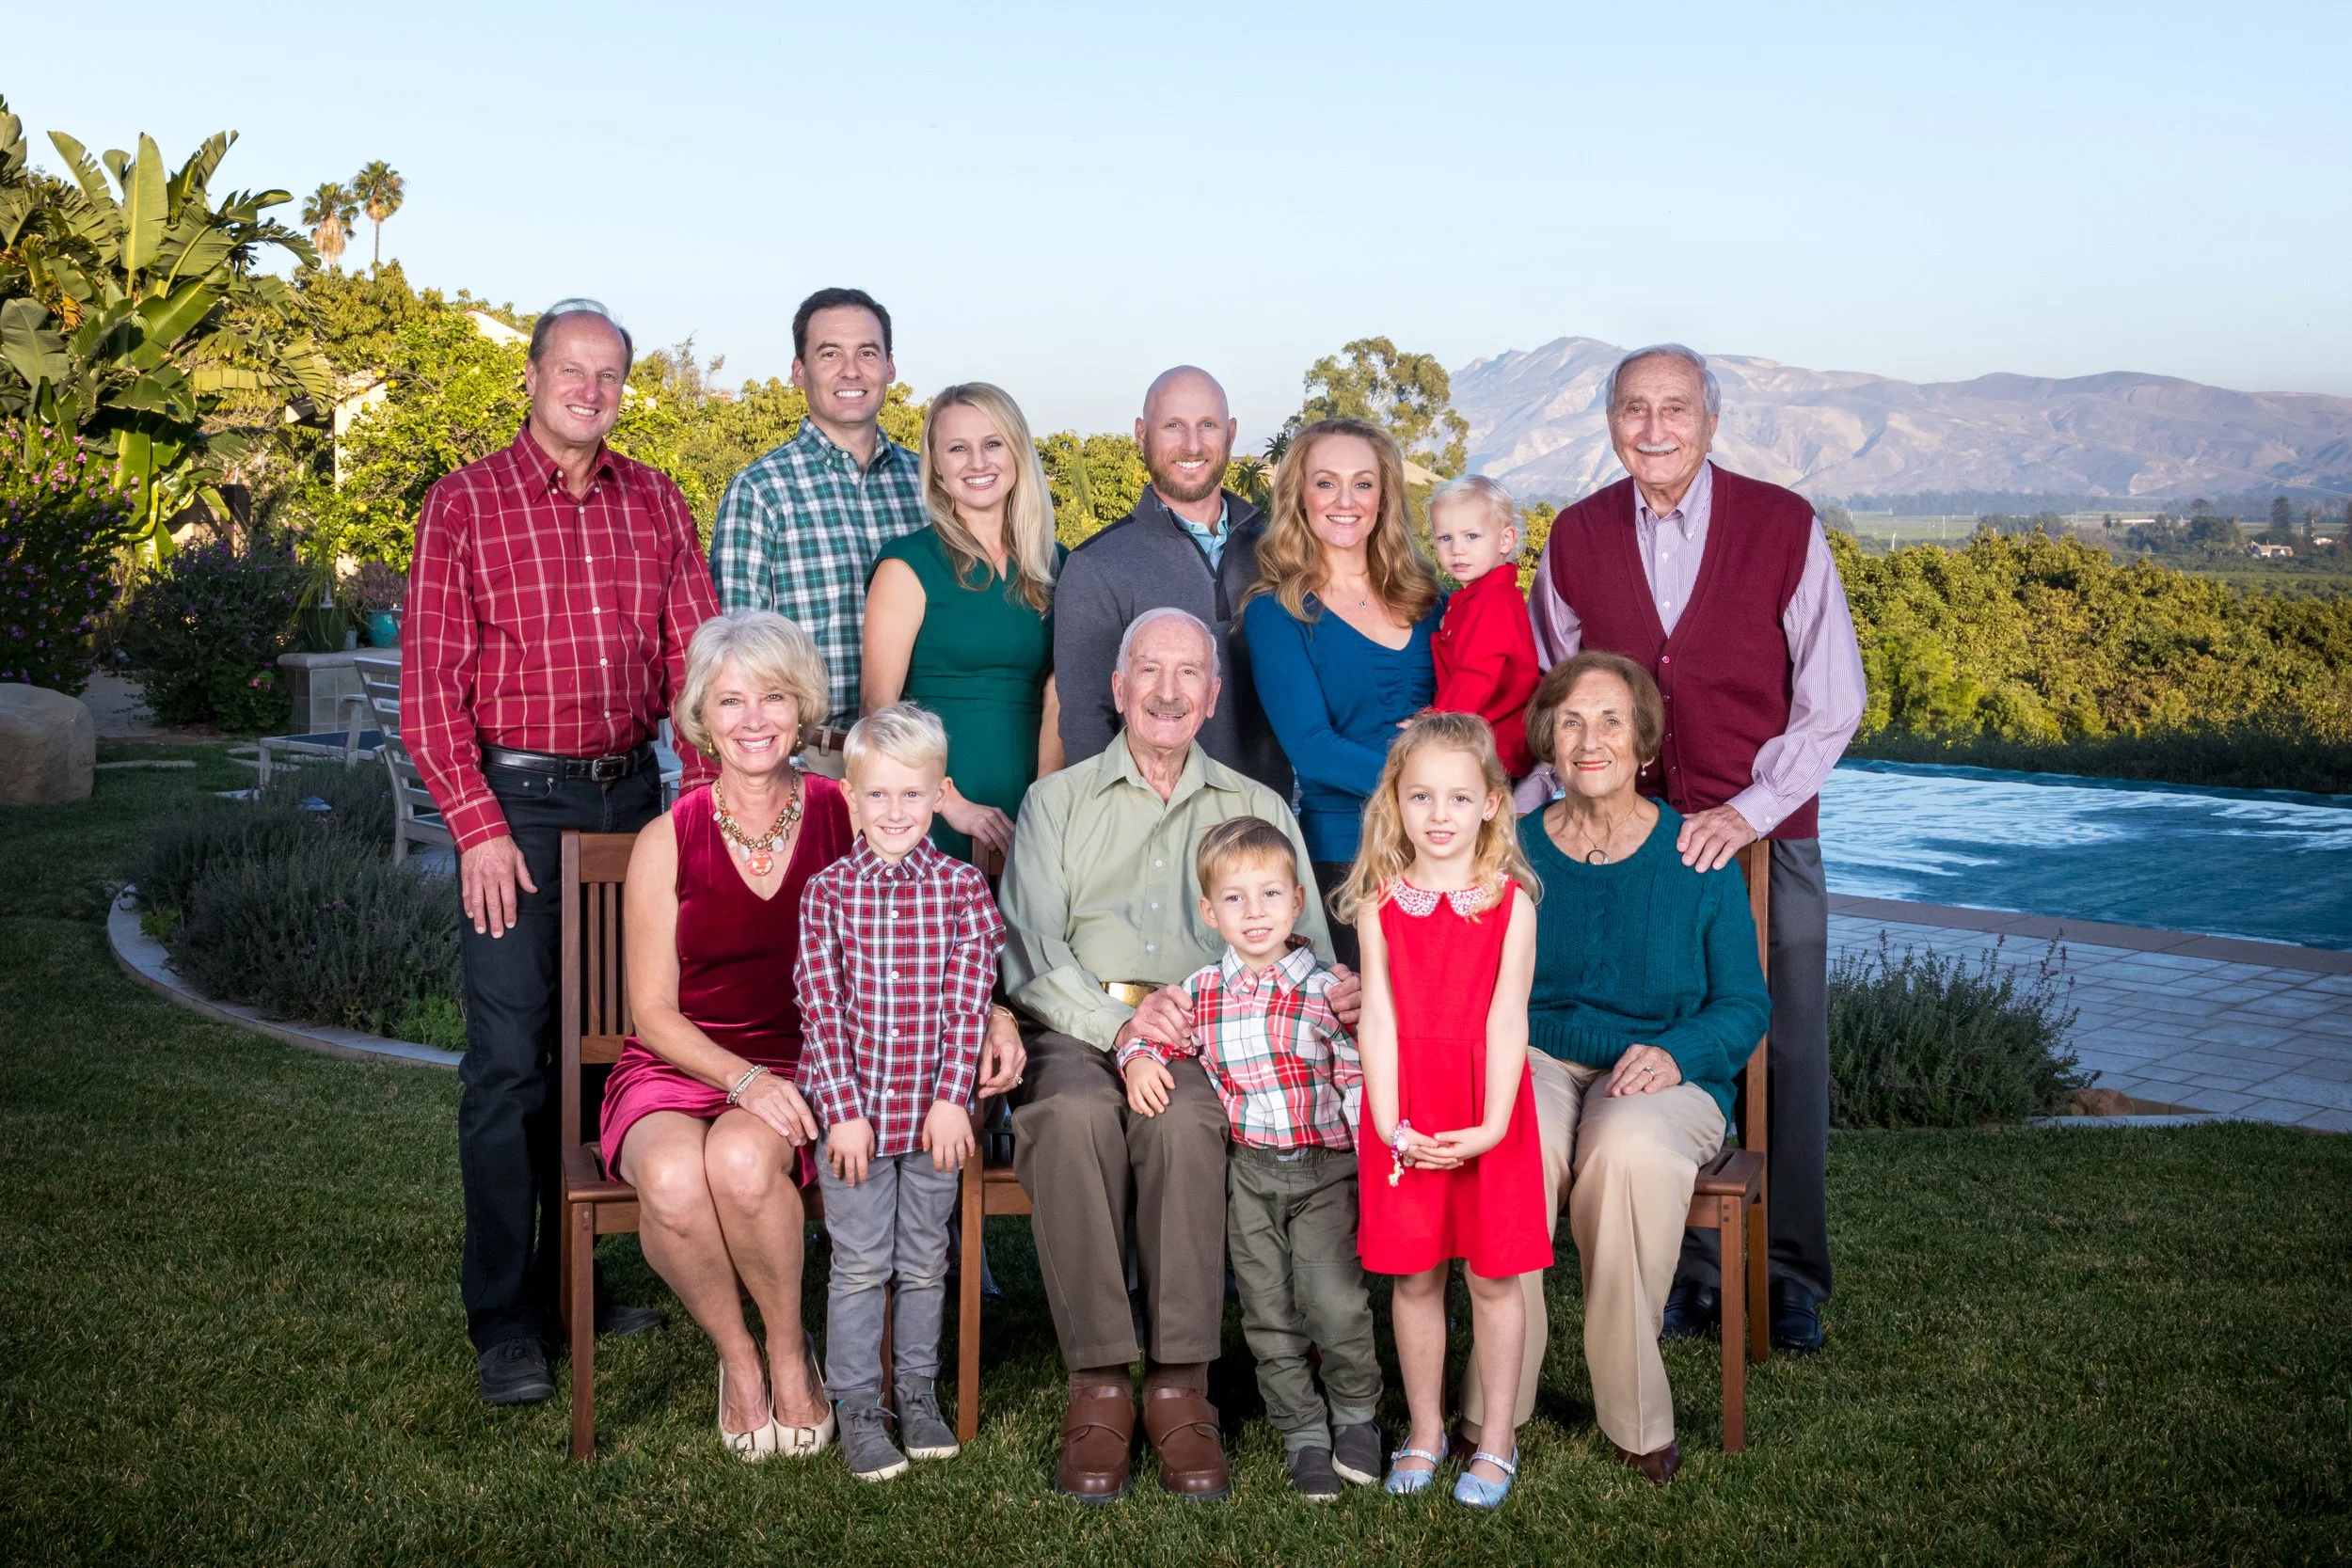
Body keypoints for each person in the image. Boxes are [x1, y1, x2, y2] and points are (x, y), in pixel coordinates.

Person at [405, 298, 719, 1406]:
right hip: (518, 806)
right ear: (533, 379)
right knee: (509, 1063)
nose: (590, 390)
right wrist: (478, 825)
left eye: (609, 374)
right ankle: (503, 1314)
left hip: (632, 801)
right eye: (571, 370)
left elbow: (697, 663)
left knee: (611, 1052)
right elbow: (430, 689)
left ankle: (571, 1284)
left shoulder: (657, 499)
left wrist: (706, 804)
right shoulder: (464, 502)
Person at [1523, 342, 1864, 1357]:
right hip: (1625, 843)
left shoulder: (1782, 524)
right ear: (1610, 423)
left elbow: (1832, 697)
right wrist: (1528, 822)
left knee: (1782, 1044)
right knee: (1661, 1042)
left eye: (1675, 407)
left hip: (1765, 833)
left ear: (1711, 421)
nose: (1655, 428)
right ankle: (1689, 1270)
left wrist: (1750, 810)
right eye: (1635, 408)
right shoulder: (1576, 536)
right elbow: (1554, 696)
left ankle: (1787, 1272)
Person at [997, 607, 1351, 1505]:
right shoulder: (1056, 801)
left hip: (1210, 1034)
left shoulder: (1256, 806)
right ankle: (1099, 1381)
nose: (1167, 690)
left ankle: (1179, 1383)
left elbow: (1307, 948)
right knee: (1071, 1114)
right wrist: (1120, 1030)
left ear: (1213, 694)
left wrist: (1340, 998)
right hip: (1079, 1025)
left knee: (1186, 1120)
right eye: (1148, 671)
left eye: (1188, 672)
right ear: (1118, 689)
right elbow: (1031, 950)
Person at [1459, 652, 1770, 1486]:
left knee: (1627, 1151)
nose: (1589, 739)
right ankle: (1495, 1408)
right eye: (1570, 721)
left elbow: (1746, 1004)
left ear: (1644, 744)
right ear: (1548, 745)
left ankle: (1635, 1414)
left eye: (1610, 721)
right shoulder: (1510, 850)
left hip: (1666, 1070)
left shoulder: (1697, 854)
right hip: (1534, 1050)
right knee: (1513, 1136)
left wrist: (1677, 1052)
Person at [600, 610, 851, 1459]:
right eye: (731, 699)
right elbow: (652, 1012)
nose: (753, 719)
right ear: (701, 717)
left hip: (801, 1059)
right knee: (673, 1178)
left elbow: (926, 914)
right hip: (679, 1059)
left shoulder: (847, 814)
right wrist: (742, 1080)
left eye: (773, 696)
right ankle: (737, 1356)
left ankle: (788, 1349)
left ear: (801, 706)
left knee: (742, 1161)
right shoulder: (665, 838)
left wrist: (990, 1009)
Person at [1118, 816, 1380, 1501]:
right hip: (1251, 1177)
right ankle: (1303, 1433)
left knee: (1333, 1300)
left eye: (1270, 894)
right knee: (1268, 1312)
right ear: (1210, 912)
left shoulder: (1329, 990)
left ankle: (1356, 1414)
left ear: (1298, 901)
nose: (1254, 912)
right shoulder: (1203, 991)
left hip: (1324, 1172)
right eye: (1234, 898)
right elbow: (1151, 1034)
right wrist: (1139, 1058)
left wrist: (1377, 1163)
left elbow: (1357, 1078)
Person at [1342, 711, 1549, 1510]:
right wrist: (1389, 1121)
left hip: (1487, 1107)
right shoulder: (1379, 902)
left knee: (1495, 1279)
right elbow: (1379, 1018)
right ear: (1395, 800)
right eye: (1421, 795)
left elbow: (1508, 1019)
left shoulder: (1512, 904)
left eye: (1459, 797)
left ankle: (1496, 1438)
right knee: (1415, 1276)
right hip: (1406, 1111)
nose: (1439, 814)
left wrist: (1492, 1125)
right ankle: (1427, 1427)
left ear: (1492, 803)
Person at [796, 704, 1009, 1481]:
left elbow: (968, 1003)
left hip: (933, 1122)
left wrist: (954, 1099)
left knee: (924, 1259)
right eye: (878, 795)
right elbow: (820, 1010)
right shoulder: (826, 894)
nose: (895, 811)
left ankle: (915, 1392)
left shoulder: (962, 892)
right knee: (859, 1264)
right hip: (854, 1119)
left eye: (912, 794)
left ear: (939, 794)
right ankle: (858, 1403)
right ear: (850, 798)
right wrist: (842, 1113)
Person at [1243, 418, 1446, 965]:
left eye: (1363, 483)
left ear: (1384, 497)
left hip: (1447, 852)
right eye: (1326, 482)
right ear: (1299, 496)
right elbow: (1312, 748)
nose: (1345, 501)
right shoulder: (1276, 612)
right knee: (1371, 1011)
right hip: (1349, 858)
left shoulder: (1430, 600)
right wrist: (1433, 789)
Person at [709, 287, 924, 778]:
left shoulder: (928, 485)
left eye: (867, 353)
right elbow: (735, 656)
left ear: (889, 366)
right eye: (830, 354)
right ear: (799, 371)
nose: (851, 371)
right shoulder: (759, 491)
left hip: (917, 757)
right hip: (813, 759)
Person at [1054, 367, 1289, 792]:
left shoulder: (1279, 553)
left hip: (1264, 816)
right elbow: (1085, 721)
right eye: (1173, 426)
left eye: (1208, 425)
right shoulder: (1096, 565)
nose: (1192, 445)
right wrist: (1116, 816)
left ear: (1231, 433)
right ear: (1142, 434)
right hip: (1152, 816)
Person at [861, 383, 1065, 866]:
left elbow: (1060, 696)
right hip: (934, 813)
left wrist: (1046, 807)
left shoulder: (1057, 566)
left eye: (993, 443)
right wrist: (947, 803)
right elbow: (877, 711)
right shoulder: (907, 564)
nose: (978, 462)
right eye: (958, 448)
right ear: (936, 464)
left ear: (1017, 451)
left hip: (1031, 811)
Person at [1428, 475, 1541, 778]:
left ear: (1505, 540)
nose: (1457, 549)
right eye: (1445, 538)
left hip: (1492, 750)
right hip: (1479, 739)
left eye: (1472, 536)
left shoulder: (1492, 602)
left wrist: (1436, 723)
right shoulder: (1473, 596)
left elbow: (1476, 675)